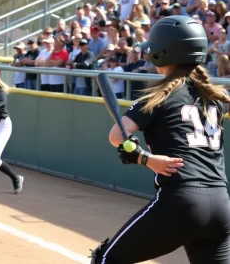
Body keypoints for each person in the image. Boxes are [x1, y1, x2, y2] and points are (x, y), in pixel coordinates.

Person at [89, 16, 230, 264]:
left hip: (181, 203)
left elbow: (117, 136)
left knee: (106, 260)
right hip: (221, 205)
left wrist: (145, 158)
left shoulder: (159, 96)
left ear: (161, 53)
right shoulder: (214, 97)